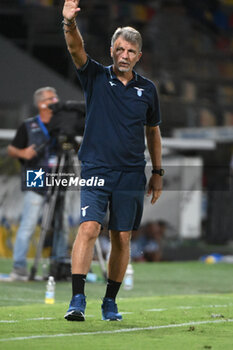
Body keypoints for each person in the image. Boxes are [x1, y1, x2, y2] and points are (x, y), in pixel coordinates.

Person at [62, 0, 163, 321]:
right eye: (119, 49)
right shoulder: (94, 76)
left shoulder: (148, 90)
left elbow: (153, 133)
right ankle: (77, 299)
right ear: (112, 49)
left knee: (121, 236)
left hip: (132, 174)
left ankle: (110, 301)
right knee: (89, 227)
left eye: (130, 52)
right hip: (95, 168)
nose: (124, 55)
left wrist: (157, 172)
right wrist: (69, 23)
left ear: (138, 56)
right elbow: (76, 49)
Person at [8, 86, 69, 281]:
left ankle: (58, 266)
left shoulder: (63, 124)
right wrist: (23, 153)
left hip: (58, 176)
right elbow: (12, 149)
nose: (56, 100)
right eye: (52, 98)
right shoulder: (29, 126)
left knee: (61, 223)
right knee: (29, 223)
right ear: (42, 103)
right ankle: (19, 268)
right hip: (36, 173)